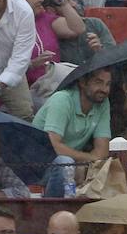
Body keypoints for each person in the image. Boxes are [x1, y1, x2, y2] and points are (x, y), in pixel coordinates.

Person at [33, 66, 112, 196]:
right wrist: (85, 161)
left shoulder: (103, 102)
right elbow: (53, 145)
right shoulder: (62, 99)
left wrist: (84, 164)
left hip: (70, 165)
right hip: (37, 165)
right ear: (82, 82)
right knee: (65, 163)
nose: (104, 89)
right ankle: (53, 209)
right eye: (98, 82)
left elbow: (102, 152)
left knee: (106, 167)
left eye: (108, 84)